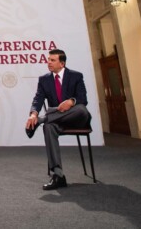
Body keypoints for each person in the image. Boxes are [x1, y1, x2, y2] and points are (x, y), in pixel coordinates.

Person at [25, 49, 91, 190]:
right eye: (48, 59)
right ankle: (58, 175)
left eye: (52, 60)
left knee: (81, 109)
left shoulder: (76, 76)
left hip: (76, 117)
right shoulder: (44, 80)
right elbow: (38, 99)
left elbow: (83, 99)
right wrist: (33, 114)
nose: (48, 62)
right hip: (58, 121)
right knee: (48, 127)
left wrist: (71, 102)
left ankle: (45, 118)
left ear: (62, 63)